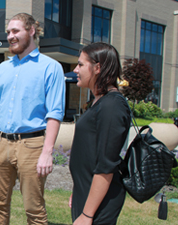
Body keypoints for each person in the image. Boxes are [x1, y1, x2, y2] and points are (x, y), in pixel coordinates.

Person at [0, 13, 66, 224]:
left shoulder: (51, 67)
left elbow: (55, 113)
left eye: (15, 31)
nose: (10, 36)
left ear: (31, 31)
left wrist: (47, 152)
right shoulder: (3, 68)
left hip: (32, 145)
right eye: (8, 32)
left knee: (34, 209)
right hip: (1, 143)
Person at [69, 42, 131, 225]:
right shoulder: (99, 101)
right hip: (88, 194)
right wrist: (79, 190)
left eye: (80, 64)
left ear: (98, 68)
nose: (75, 70)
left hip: (100, 205)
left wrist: (87, 215)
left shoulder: (112, 105)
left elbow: (106, 166)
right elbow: (90, 153)